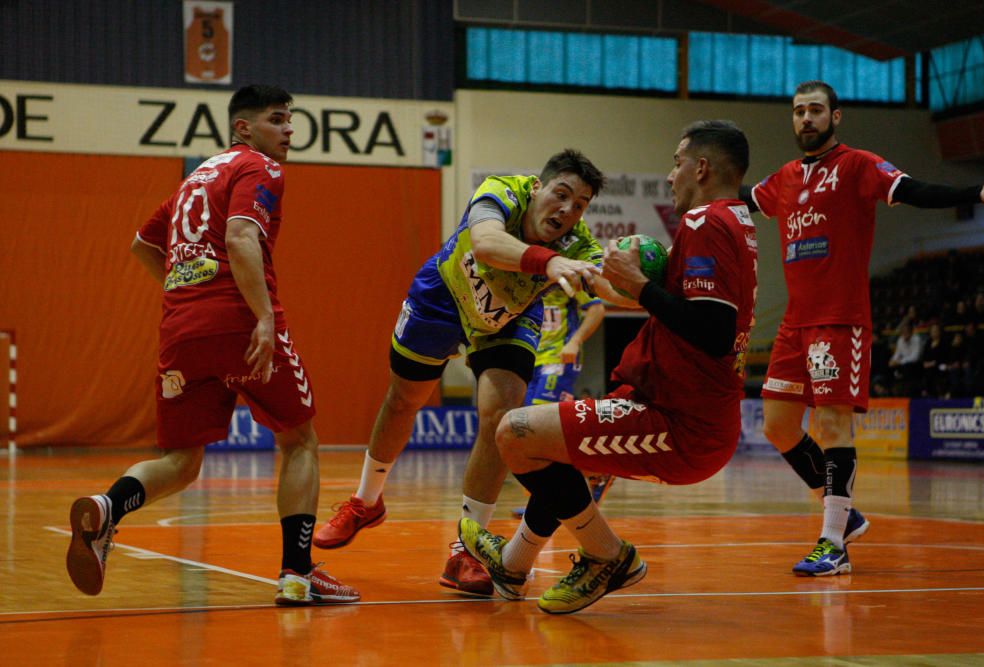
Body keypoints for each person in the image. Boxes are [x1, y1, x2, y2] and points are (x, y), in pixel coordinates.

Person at [65, 85, 359, 606]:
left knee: (181, 459)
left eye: (291, 119)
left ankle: (106, 507)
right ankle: (297, 574)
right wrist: (263, 317)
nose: (290, 129)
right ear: (243, 128)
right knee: (299, 440)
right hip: (239, 322)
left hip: (181, 330)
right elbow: (241, 237)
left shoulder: (193, 180)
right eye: (278, 119)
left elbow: (142, 246)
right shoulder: (261, 169)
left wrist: (190, 293)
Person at [459, 120, 758, 614]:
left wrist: (640, 287)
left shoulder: (707, 222)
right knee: (558, 452)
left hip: (682, 425)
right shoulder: (737, 221)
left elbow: (714, 333)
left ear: (701, 168)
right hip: (663, 404)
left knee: (515, 433)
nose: (670, 175)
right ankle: (512, 566)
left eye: (677, 162)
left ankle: (608, 556)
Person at [312, 150, 611, 596]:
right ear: (538, 188)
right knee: (403, 400)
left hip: (507, 320)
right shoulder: (502, 192)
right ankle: (365, 502)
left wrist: (645, 283)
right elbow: (488, 243)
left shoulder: (579, 245)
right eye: (561, 195)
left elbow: (610, 292)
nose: (568, 210)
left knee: (499, 420)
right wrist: (547, 262)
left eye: (580, 204)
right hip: (444, 297)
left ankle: (467, 550)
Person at [742, 80, 984, 576]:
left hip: (838, 318)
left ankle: (832, 541)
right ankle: (845, 513)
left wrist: (973, 190)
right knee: (777, 426)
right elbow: (741, 201)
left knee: (833, 425)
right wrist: (696, 191)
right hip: (794, 323)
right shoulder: (785, 177)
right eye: (798, 112)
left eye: (815, 110)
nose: (806, 119)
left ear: (835, 117)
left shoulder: (859, 165)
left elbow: (913, 190)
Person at [513, 289, 609, 518]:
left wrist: (575, 341)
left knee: (538, 430)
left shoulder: (568, 274)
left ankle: (545, 500)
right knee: (526, 432)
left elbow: (597, 309)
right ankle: (598, 471)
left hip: (559, 359)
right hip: (530, 361)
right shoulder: (523, 278)